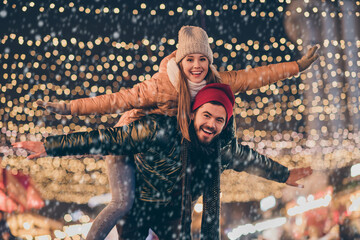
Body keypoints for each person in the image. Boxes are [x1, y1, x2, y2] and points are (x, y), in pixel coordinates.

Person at [34, 26, 318, 239]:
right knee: (122, 202)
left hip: (172, 149)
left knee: (184, 195)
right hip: (129, 141)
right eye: (190, 59)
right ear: (180, 62)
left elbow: (257, 76)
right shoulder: (159, 87)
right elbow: (112, 101)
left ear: (209, 61)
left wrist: (296, 66)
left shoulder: (218, 84)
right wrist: (68, 108)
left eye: (202, 59)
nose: (197, 66)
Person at [14, 83, 313, 239]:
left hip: (174, 213)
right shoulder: (159, 130)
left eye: (219, 120)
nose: (211, 124)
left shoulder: (223, 149)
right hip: (140, 204)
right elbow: (105, 139)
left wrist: (284, 174)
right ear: (194, 113)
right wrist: (50, 146)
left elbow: (251, 159)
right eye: (206, 115)